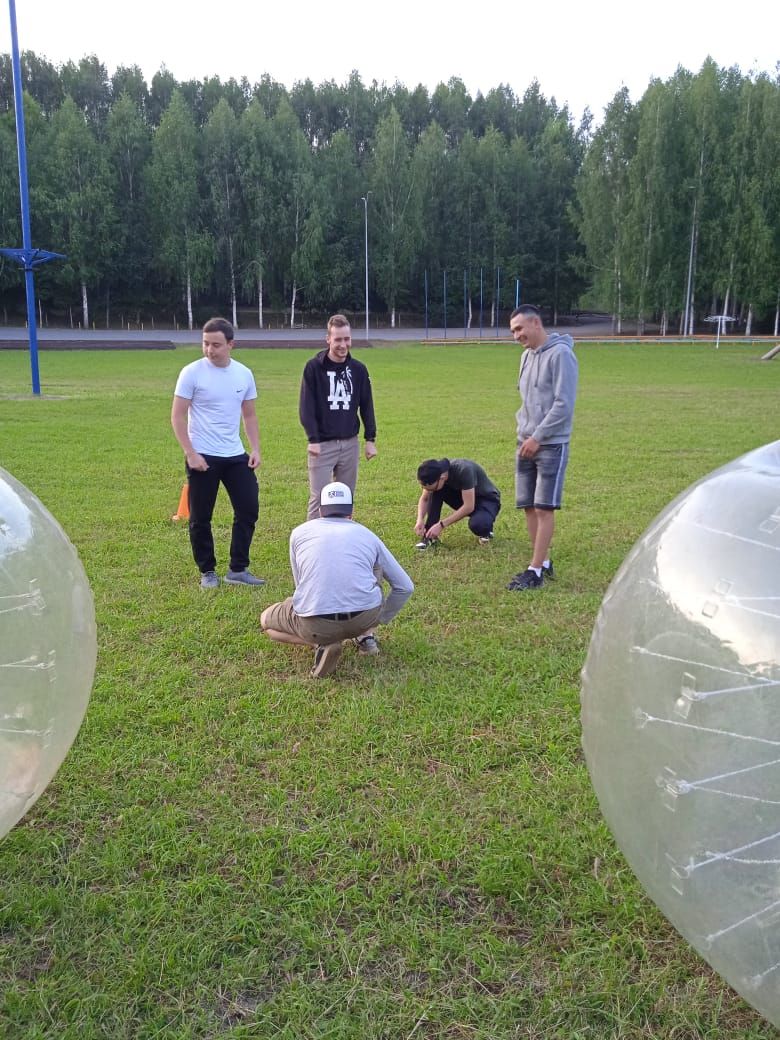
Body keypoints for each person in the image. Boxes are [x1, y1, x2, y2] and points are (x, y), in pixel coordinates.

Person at [261, 482, 413, 678]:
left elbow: (300, 585)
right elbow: (405, 587)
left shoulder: (299, 533)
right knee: (375, 567)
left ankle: (321, 644)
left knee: (266, 622)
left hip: (315, 624)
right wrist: (379, 619)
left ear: (320, 510)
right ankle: (366, 637)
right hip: (364, 619)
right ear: (351, 511)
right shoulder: (368, 535)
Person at [171, 316, 265, 590]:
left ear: (230, 345)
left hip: (235, 455)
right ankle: (207, 571)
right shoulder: (191, 373)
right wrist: (190, 453)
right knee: (201, 517)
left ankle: (238, 569)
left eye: (216, 345)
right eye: (205, 344)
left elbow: (249, 415)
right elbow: (177, 417)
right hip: (203, 456)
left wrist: (256, 448)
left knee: (248, 509)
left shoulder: (244, 374)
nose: (210, 350)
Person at [507, 304, 578, 591]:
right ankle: (543, 561)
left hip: (549, 443)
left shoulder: (561, 355)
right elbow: (525, 400)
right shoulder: (525, 357)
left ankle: (534, 570)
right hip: (525, 441)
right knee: (528, 506)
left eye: (520, 328)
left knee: (544, 507)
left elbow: (564, 404)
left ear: (536, 323)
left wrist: (538, 436)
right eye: (513, 331)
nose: (516, 336)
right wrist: (524, 432)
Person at [299, 314, 377, 520]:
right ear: (328, 339)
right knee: (319, 498)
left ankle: (343, 544)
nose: (343, 345)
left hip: (350, 444)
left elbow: (366, 405)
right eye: (338, 340)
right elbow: (306, 407)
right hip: (322, 445)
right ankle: (313, 546)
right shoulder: (314, 368)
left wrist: (370, 439)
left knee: (346, 497)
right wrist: (313, 439)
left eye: (347, 339)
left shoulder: (358, 370)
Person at [414, 458, 501, 548]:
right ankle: (429, 536)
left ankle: (486, 530)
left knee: (478, 524)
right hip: (463, 496)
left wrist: (441, 525)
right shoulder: (435, 474)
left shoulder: (464, 470)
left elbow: (468, 507)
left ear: (442, 478)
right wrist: (420, 519)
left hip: (487, 499)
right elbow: (425, 499)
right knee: (436, 491)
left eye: (429, 488)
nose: (427, 491)